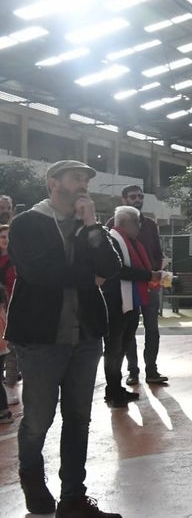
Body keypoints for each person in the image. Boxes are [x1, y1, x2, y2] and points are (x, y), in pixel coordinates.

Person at [5, 160, 122, 517]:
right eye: (76, 178)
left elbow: (112, 268)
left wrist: (91, 225)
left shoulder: (89, 226)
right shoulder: (27, 224)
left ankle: (73, 497)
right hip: (41, 339)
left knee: (78, 418)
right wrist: (91, 278)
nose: (83, 185)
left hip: (85, 337)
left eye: (86, 179)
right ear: (53, 183)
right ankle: (32, 480)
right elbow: (40, 273)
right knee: (38, 419)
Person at [104, 206, 159, 409]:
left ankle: (117, 390)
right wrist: (148, 276)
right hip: (115, 302)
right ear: (127, 223)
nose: (139, 227)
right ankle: (112, 391)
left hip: (129, 302)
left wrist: (149, 275)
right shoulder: (112, 240)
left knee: (122, 346)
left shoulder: (131, 242)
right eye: (137, 223)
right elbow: (119, 270)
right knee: (114, 349)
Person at [116, 186, 167, 387]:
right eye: (132, 197)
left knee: (152, 328)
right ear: (124, 199)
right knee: (129, 329)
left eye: (140, 196)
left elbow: (157, 253)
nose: (137, 199)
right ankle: (133, 371)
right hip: (128, 286)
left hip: (150, 284)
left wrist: (155, 274)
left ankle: (151, 369)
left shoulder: (150, 225)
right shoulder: (114, 225)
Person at [1, 223, 19, 407]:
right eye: (2, 237)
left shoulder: (19, 259)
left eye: (8, 236)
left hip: (15, 309)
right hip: (2, 310)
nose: (5, 240)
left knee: (12, 351)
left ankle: (10, 386)